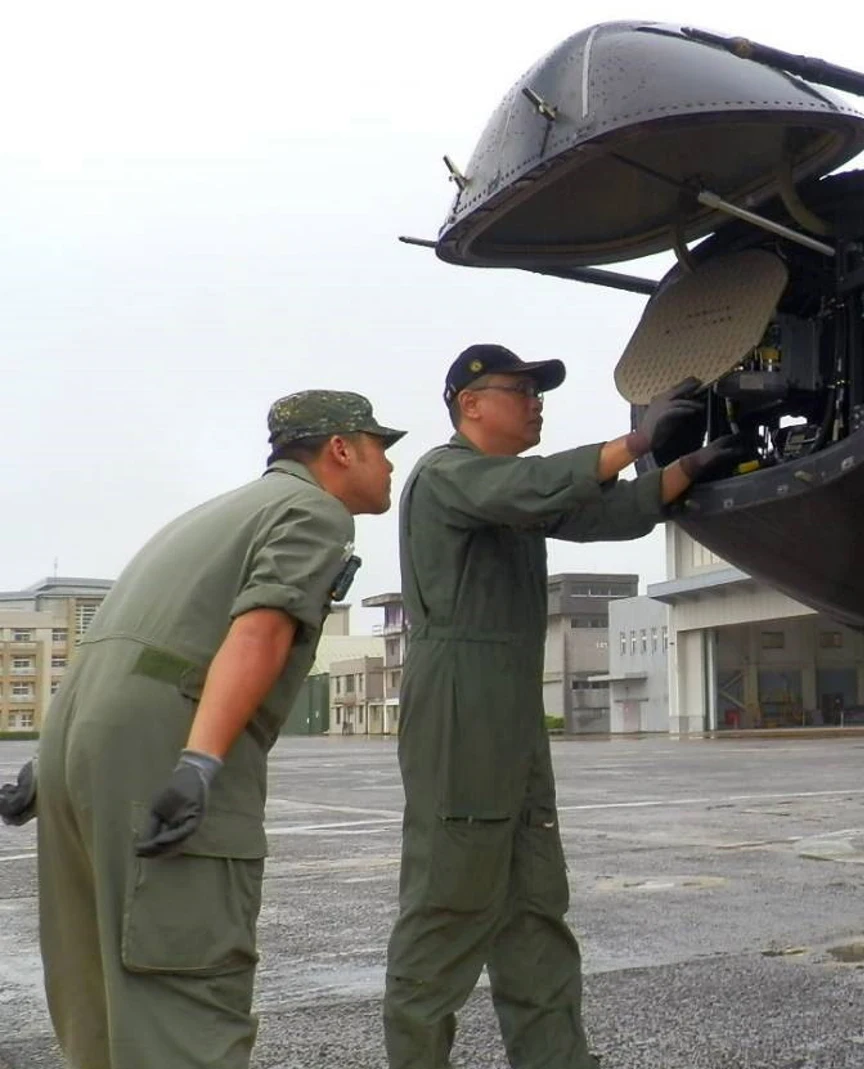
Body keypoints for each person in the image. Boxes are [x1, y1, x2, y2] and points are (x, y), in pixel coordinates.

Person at [4, 390, 404, 1069]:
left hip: (77, 743)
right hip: (162, 744)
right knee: (183, 991)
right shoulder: (313, 511)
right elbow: (263, 628)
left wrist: (48, 763)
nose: (390, 467)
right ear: (342, 447)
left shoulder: (208, 516)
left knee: (98, 991)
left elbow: (123, 639)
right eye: (380, 449)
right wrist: (200, 762)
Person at [382, 344, 750, 1069]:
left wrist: (686, 467)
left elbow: (603, 514)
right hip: (461, 704)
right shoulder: (447, 475)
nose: (536, 401)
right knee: (446, 907)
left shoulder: (514, 495)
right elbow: (540, 485)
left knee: (534, 914)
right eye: (520, 390)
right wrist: (638, 440)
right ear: (471, 404)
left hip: (508, 711)